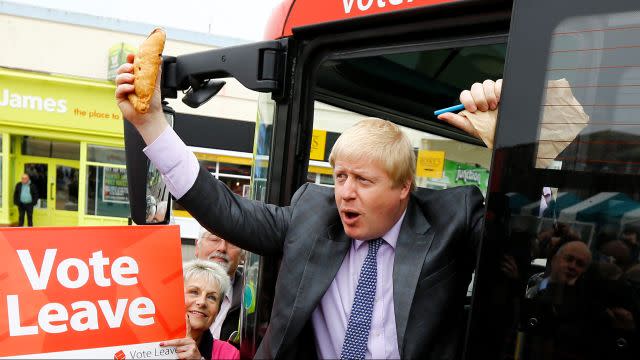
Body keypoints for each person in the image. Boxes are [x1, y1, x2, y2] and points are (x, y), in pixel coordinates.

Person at [116, 56, 496, 359]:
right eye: (340, 176)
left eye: (363, 181)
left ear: (403, 188)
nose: (345, 193)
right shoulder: (313, 214)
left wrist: (507, 145)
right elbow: (225, 211)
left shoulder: (451, 217)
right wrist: (150, 123)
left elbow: (529, 241)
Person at [160, 259, 239, 360]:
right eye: (194, 292)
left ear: (218, 311)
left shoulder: (229, 354)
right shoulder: (144, 343)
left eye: (211, 297)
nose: (202, 302)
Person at [195, 226, 244, 342]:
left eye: (232, 241)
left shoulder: (253, 303)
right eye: (213, 238)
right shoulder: (170, 290)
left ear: (243, 255)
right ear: (197, 246)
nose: (222, 248)